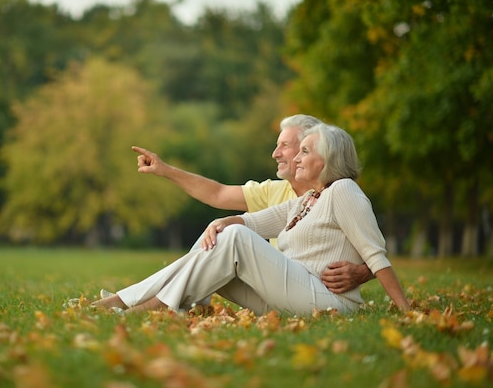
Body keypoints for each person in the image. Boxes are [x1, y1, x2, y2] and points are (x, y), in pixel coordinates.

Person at [94, 124, 411, 315]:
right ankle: (127, 301)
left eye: (303, 151)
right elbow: (254, 223)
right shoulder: (304, 201)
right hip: (293, 298)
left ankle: (145, 307)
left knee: (233, 239)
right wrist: (220, 223)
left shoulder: (343, 191)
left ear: (329, 159)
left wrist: (405, 310)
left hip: (330, 302)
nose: (295, 158)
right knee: (226, 237)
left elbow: (374, 253)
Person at [132, 114, 373, 294]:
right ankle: (145, 299)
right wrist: (164, 170)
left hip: (309, 292)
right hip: (277, 286)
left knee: (230, 235)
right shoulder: (273, 191)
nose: (275, 153)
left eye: (284, 146)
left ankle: (140, 300)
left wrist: (361, 273)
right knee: (216, 234)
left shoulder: (338, 193)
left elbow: (374, 250)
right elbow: (218, 194)